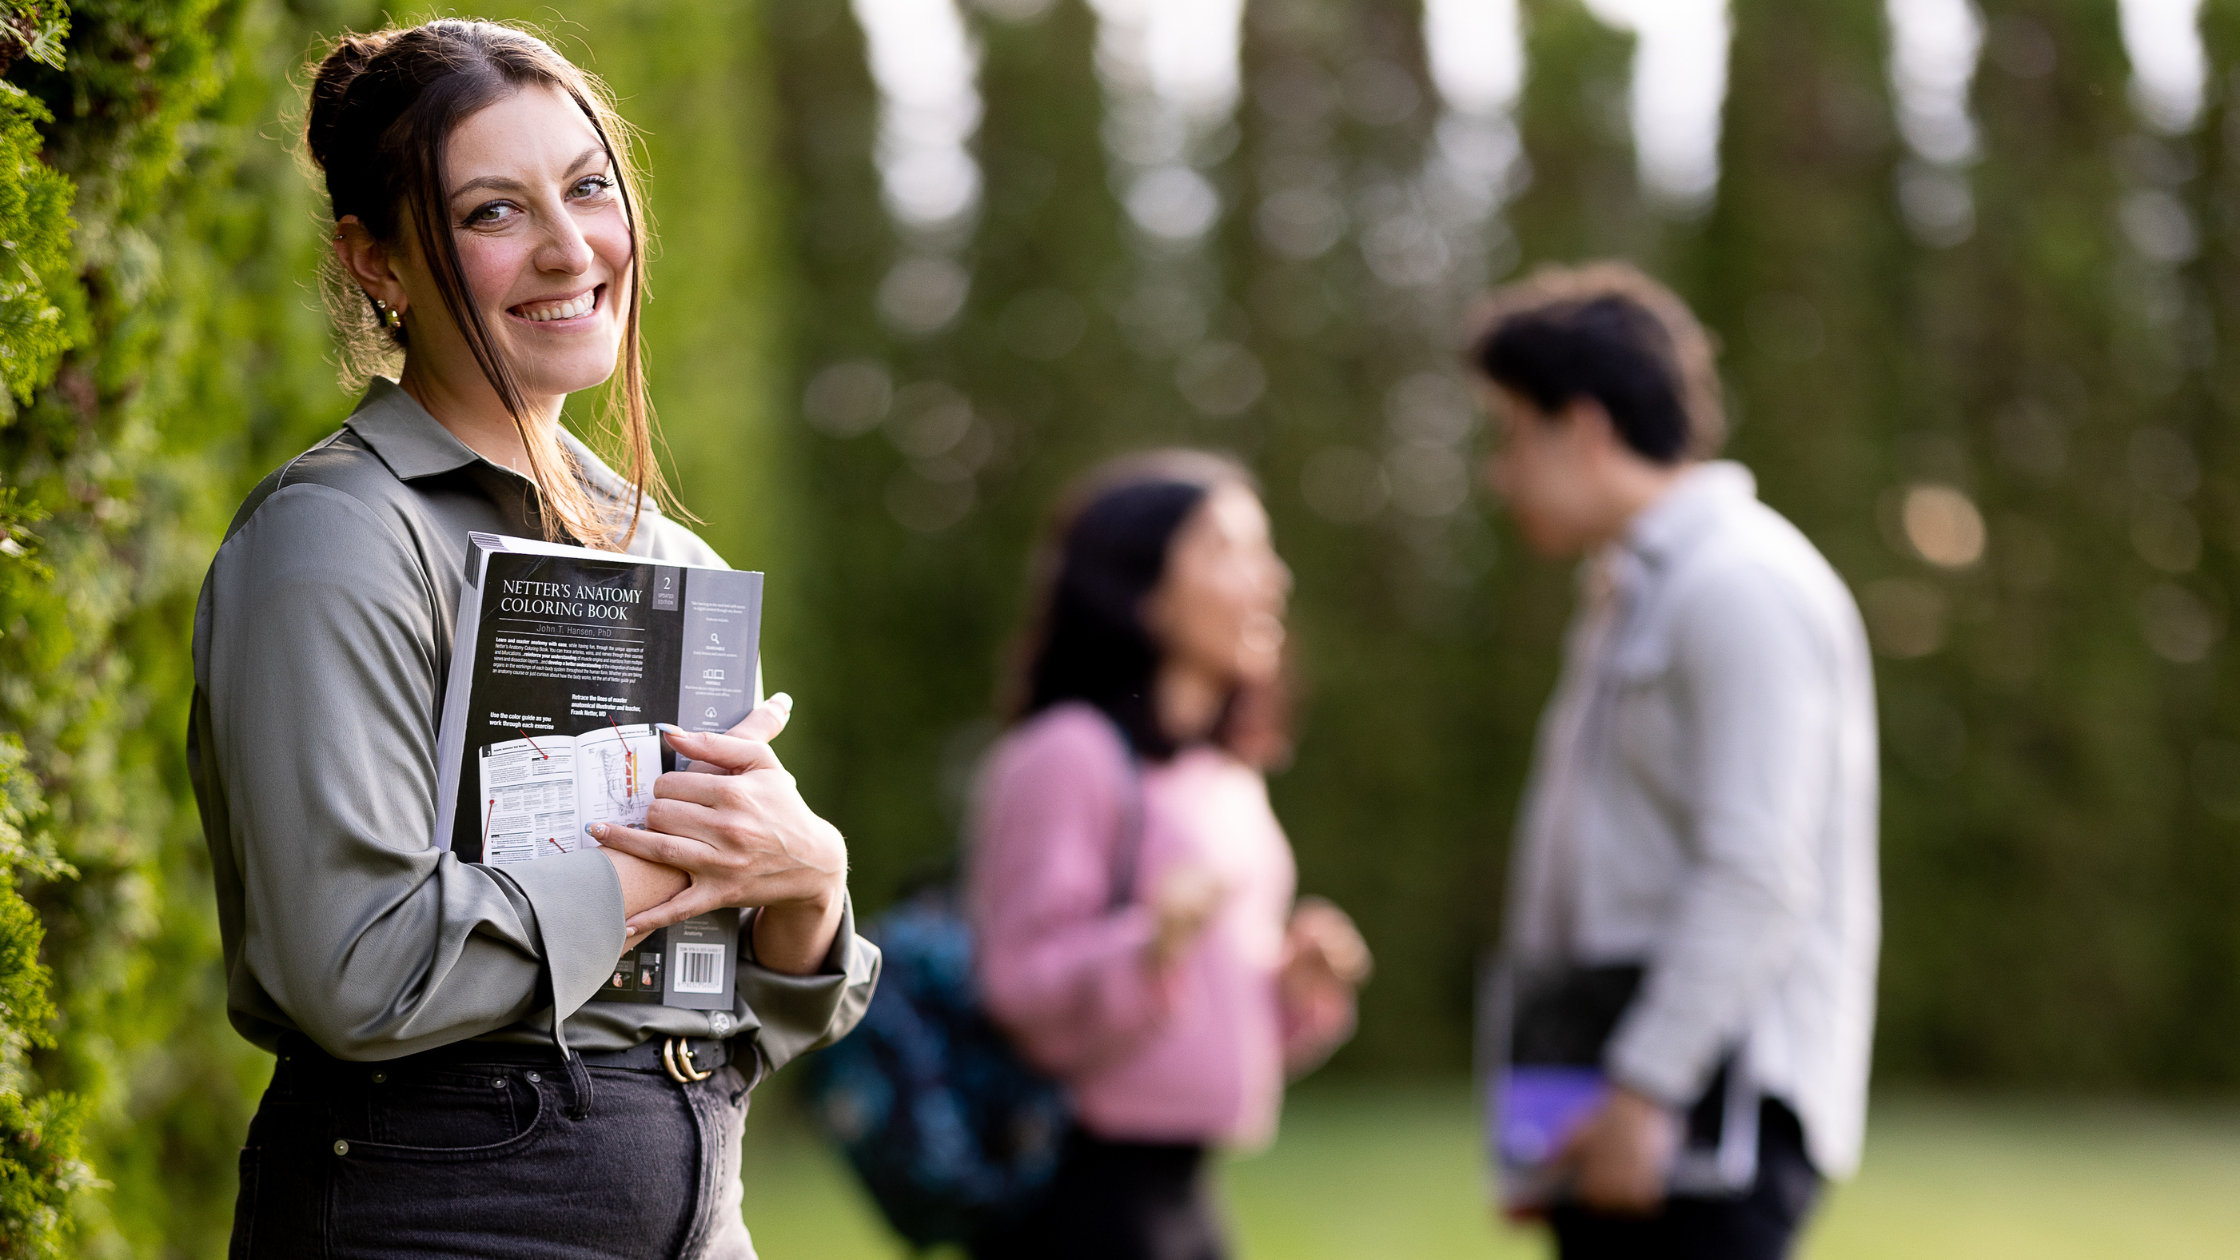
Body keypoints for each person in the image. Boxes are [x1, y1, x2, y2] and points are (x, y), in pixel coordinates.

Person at [189, 21, 876, 1258]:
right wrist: (670, 867)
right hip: (439, 1217)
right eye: (495, 212)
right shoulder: (338, 540)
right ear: (376, 263)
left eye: (588, 187)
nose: (571, 249)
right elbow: (353, 968)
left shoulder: (671, 561)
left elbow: (745, 1011)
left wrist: (806, 876)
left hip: (694, 1206)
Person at [1471, 263, 1880, 1259]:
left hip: (1703, 1127)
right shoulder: (1628, 589)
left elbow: (1753, 873)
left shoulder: (1740, 584)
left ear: (1583, 427)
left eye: (1508, 434)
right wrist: (1545, 1113)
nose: (1498, 473)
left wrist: (1644, 1090)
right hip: (1614, 1107)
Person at [965, 452, 1372, 1260]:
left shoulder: (1226, 777)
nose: (1272, 580)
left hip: (1187, 1194)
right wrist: (1151, 944)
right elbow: (1016, 986)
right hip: (1081, 1197)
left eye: (1265, 551)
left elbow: (1208, 1015)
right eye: (1229, 551)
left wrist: (1292, 989)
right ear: (1140, 589)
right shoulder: (1066, 756)